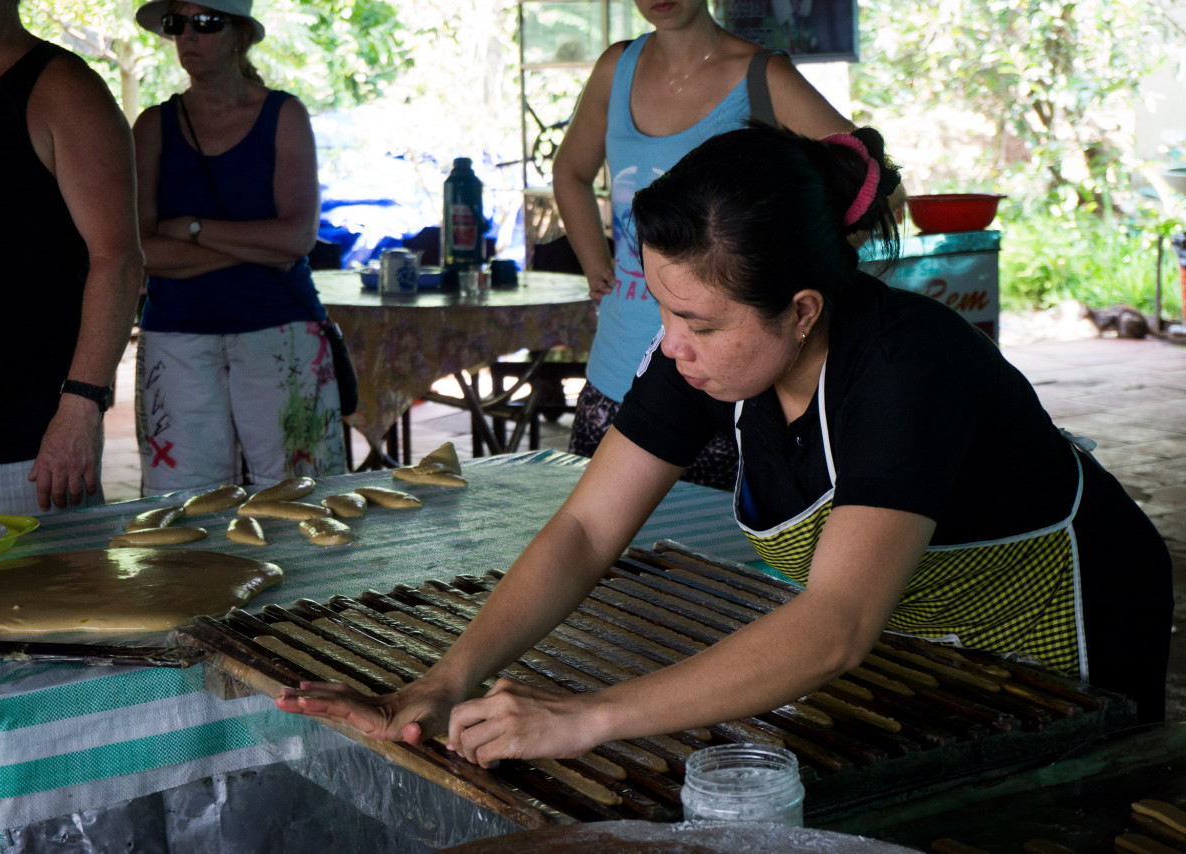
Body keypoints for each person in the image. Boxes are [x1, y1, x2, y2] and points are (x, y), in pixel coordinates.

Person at [276, 124, 1173, 766]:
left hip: (1067, 621)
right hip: (922, 629)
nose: (670, 345)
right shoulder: (709, 360)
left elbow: (834, 625)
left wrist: (584, 718)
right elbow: (588, 529)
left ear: (804, 310)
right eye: (664, 310)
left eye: (696, 320)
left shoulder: (909, 368)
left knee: (1062, 801)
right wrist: (446, 678)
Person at [551, 0, 856, 489]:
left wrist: (794, 272)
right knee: (600, 545)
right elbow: (570, 172)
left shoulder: (762, 75)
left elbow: (867, 182)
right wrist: (595, 263)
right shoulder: (617, 67)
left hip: (724, 385)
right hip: (618, 362)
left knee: (720, 556)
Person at [0, 0, 144, 516]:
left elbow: (118, 260)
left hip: (26, 444)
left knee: (45, 596)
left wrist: (82, 406)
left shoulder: (61, 90)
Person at [132, 0, 347, 494]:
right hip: (177, 333)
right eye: (176, 23)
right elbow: (140, 250)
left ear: (240, 36)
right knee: (184, 502)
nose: (188, 35)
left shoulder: (283, 115)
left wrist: (187, 228)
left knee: (304, 495)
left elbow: (297, 238)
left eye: (205, 22)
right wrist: (259, 245)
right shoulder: (152, 126)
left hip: (278, 327)